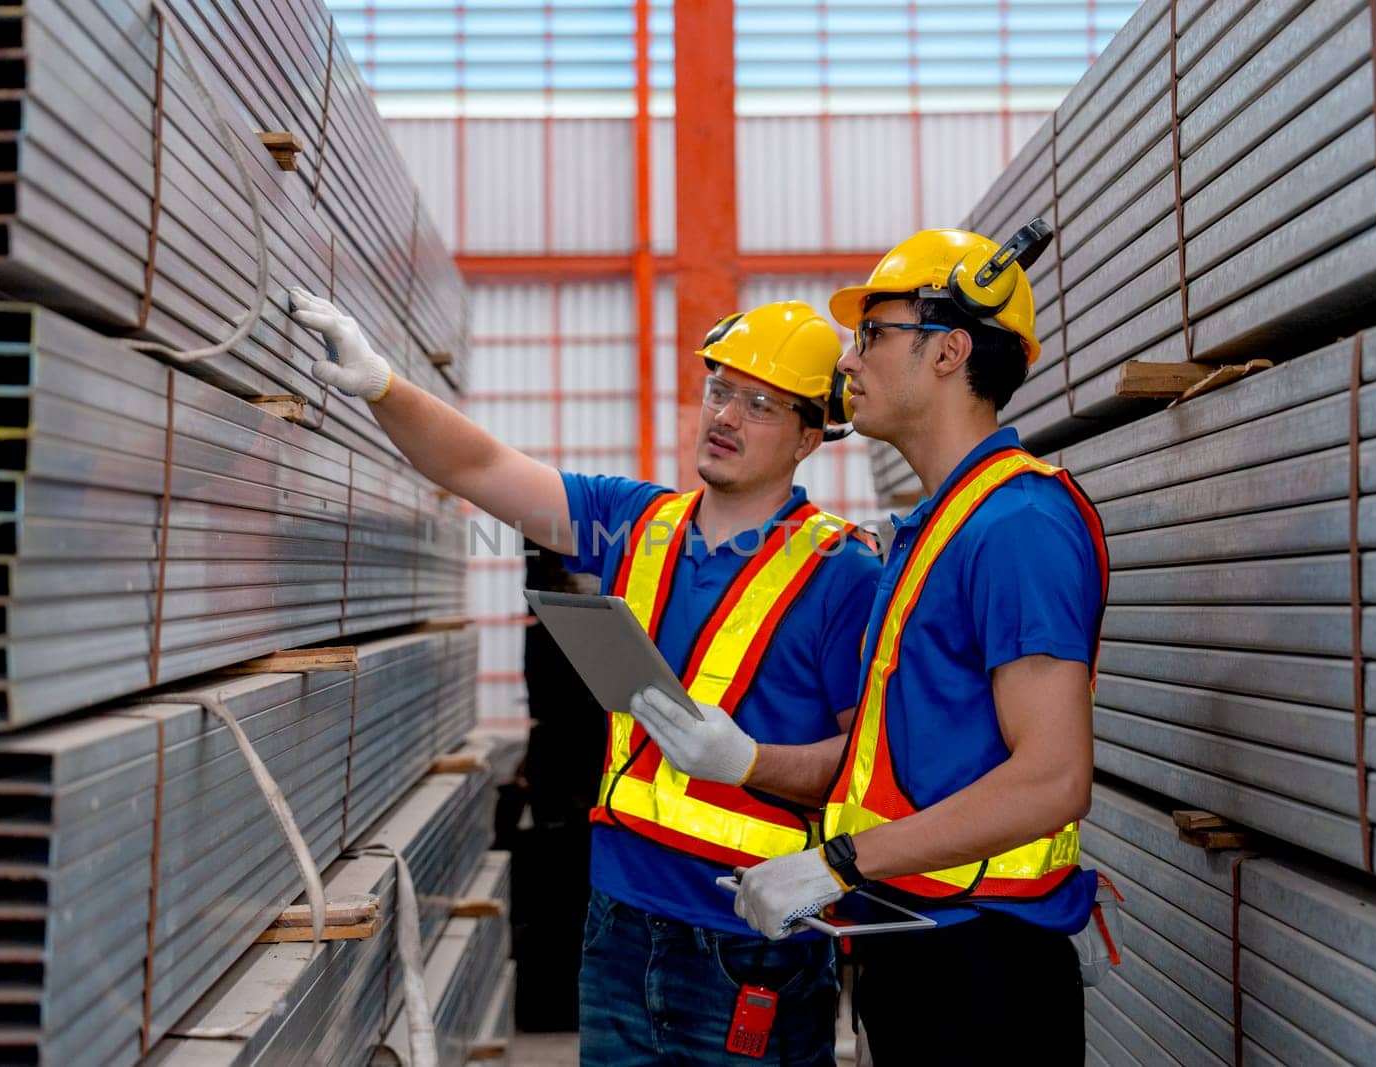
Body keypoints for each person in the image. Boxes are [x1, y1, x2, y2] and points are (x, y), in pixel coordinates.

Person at [289, 291, 882, 1065]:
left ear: (810, 435)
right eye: (719, 390)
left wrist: (750, 764)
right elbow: (481, 466)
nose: (726, 417)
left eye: (761, 403)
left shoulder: (846, 572)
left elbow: (872, 768)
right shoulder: (632, 523)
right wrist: (383, 387)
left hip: (752, 942)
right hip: (617, 922)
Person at [622, 223, 1108, 1062]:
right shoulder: (935, 530)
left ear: (951, 350)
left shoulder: (1020, 525)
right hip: (919, 943)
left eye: (874, 334)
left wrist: (836, 863)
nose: (849, 362)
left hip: (985, 966)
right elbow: (892, 765)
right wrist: (756, 768)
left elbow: (1053, 777)